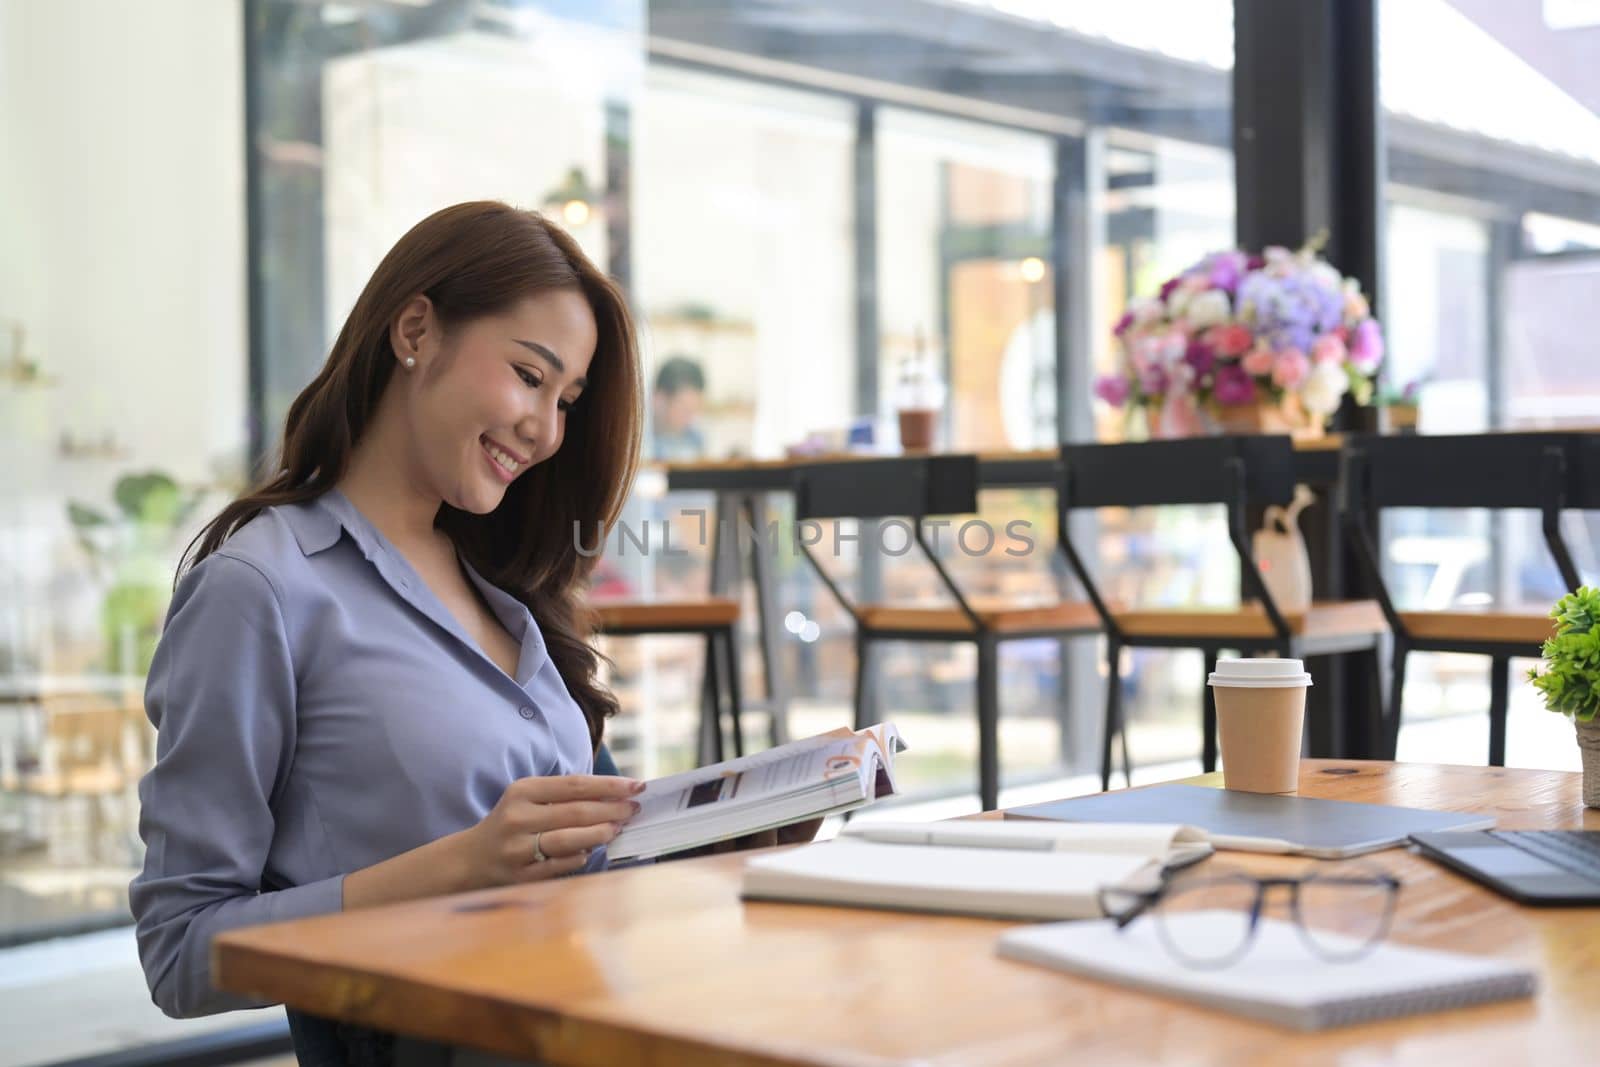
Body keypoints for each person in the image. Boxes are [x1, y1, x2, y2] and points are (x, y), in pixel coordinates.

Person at [128, 202, 812, 1060]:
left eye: (566, 400)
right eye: (531, 376)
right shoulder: (260, 589)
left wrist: (716, 839)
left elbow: (574, 875)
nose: (548, 429)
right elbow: (180, 951)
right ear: (416, 329)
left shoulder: (505, 588)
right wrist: (459, 867)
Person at [648, 354, 707, 461]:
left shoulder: (695, 438)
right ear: (659, 399)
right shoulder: (636, 441)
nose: (689, 419)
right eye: (683, 409)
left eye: (693, 411)